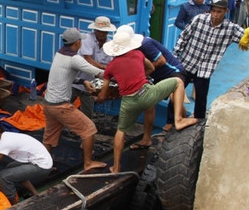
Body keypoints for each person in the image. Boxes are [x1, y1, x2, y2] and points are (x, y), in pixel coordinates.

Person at [97, 27, 198, 173]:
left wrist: (99, 98)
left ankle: (116, 166)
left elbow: (103, 94)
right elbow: (150, 69)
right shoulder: (138, 54)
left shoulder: (111, 67)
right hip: (146, 94)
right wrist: (140, 76)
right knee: (178, 82)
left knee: (120, 131)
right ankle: (178, 119)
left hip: (128, 102)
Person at [43, 28, 107, 172]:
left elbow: (65, 74)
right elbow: (98, 73)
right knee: (89, 129)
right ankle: (88, 162)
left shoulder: (59, 53)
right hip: (61, 106)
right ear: (77, 42)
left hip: (48, 104)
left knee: (49, 137)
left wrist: (83, 82)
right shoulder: (75, 58)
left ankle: (44, 167)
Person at [174, 0, 245, 118]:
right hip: (187, 63)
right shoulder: (199, 20)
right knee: (176, 93)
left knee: (201, 98)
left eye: (219, 12)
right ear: (210, 10)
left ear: (226, 11)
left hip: (205, 69)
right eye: (214, 11)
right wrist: (175, 56)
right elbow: (183, 36)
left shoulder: (230, 28)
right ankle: (171, 121)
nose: (216, 15)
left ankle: (198, 122)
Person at [138, 35, 185, 131]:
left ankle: (182, 120)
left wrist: (145, 70)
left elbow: (161, 61)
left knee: (174, 99)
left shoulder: (146, 44)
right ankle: (146, 138)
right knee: (149, 103)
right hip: (157, 75)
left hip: (173, 71)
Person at [73, 16, 116, 118]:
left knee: (87, 113)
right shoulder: (87, 39)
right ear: (95, 30)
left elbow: (112, 62)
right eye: (99, 31)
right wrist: (104, 69)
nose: (102, 34)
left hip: (92, 83)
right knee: (64, 106)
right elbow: (88, 59)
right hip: (77, 78)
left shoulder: (110, 44)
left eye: (104, 31)